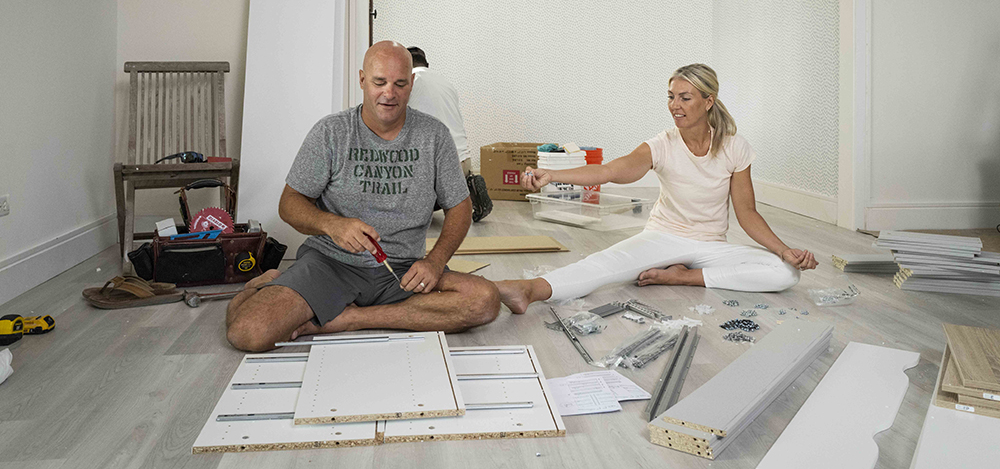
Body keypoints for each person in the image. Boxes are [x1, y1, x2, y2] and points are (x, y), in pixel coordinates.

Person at [226, 41, 500, 352]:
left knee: (485, 301)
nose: (389, 93)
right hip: (331, 266)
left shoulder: (434, 136)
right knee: (249, 332)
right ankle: (273, 284)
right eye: (379, 82)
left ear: (411, 83)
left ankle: (351, 319)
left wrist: (435, 262)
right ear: (362, 80)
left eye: (399, 84)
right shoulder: (331, 132)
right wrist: (333, 225)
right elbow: (289, 204)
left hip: (404, 270)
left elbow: (460, 208)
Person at [496, 63, 818, 314]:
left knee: (786, 273)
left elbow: (747, 214)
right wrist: (551, 175)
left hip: (710, 247)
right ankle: (530, 290)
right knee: (605, 265)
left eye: (685, 97)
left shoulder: (735, 148)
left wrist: (783, 251)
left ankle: (682, 276)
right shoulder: (662, 145)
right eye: (671, 96)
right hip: (664, 237)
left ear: (709, 102)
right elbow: (610, 171)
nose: (674, 105)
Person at [407, 46, 492, 222]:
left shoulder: (409, 83)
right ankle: (465, 189)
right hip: (463, 163)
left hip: (434, 173)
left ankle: (441, 198)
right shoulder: (446, 84)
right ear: (427, 64)